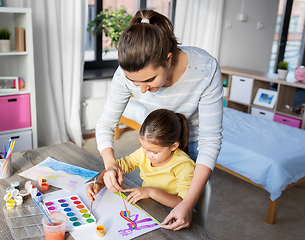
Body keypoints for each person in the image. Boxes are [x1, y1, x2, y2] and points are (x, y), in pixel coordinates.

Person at [95, 9, 223, 230]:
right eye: (135, 83)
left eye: (149, 80)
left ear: (168, 60)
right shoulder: (127, 73)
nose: (143, 91)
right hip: (161, 134)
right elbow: (106, 124)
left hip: (191, 142)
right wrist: (110, 165)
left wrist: (187, 204)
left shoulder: (205, 68)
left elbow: (210, 141)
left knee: (187, 217)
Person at [88, 109, 195, 208]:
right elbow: (118, 166)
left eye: (155, 152)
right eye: (144, 148)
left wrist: (151, 192)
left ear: (173, 146)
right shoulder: (143, 153)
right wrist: (99, 183)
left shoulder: (184, 165)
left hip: (170, 213)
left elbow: (183, 203)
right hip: (149, 206)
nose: (148, 155)